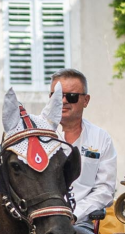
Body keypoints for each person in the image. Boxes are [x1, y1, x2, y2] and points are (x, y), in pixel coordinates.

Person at [49, 68, 117, 223]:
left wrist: (74, 215)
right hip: (38, 222)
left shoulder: (101, 138)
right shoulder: (35, 135)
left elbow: (105, 190)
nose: (63, 101)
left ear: (86, 100)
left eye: (71, 96)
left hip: (80, 223)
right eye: (57, 95)